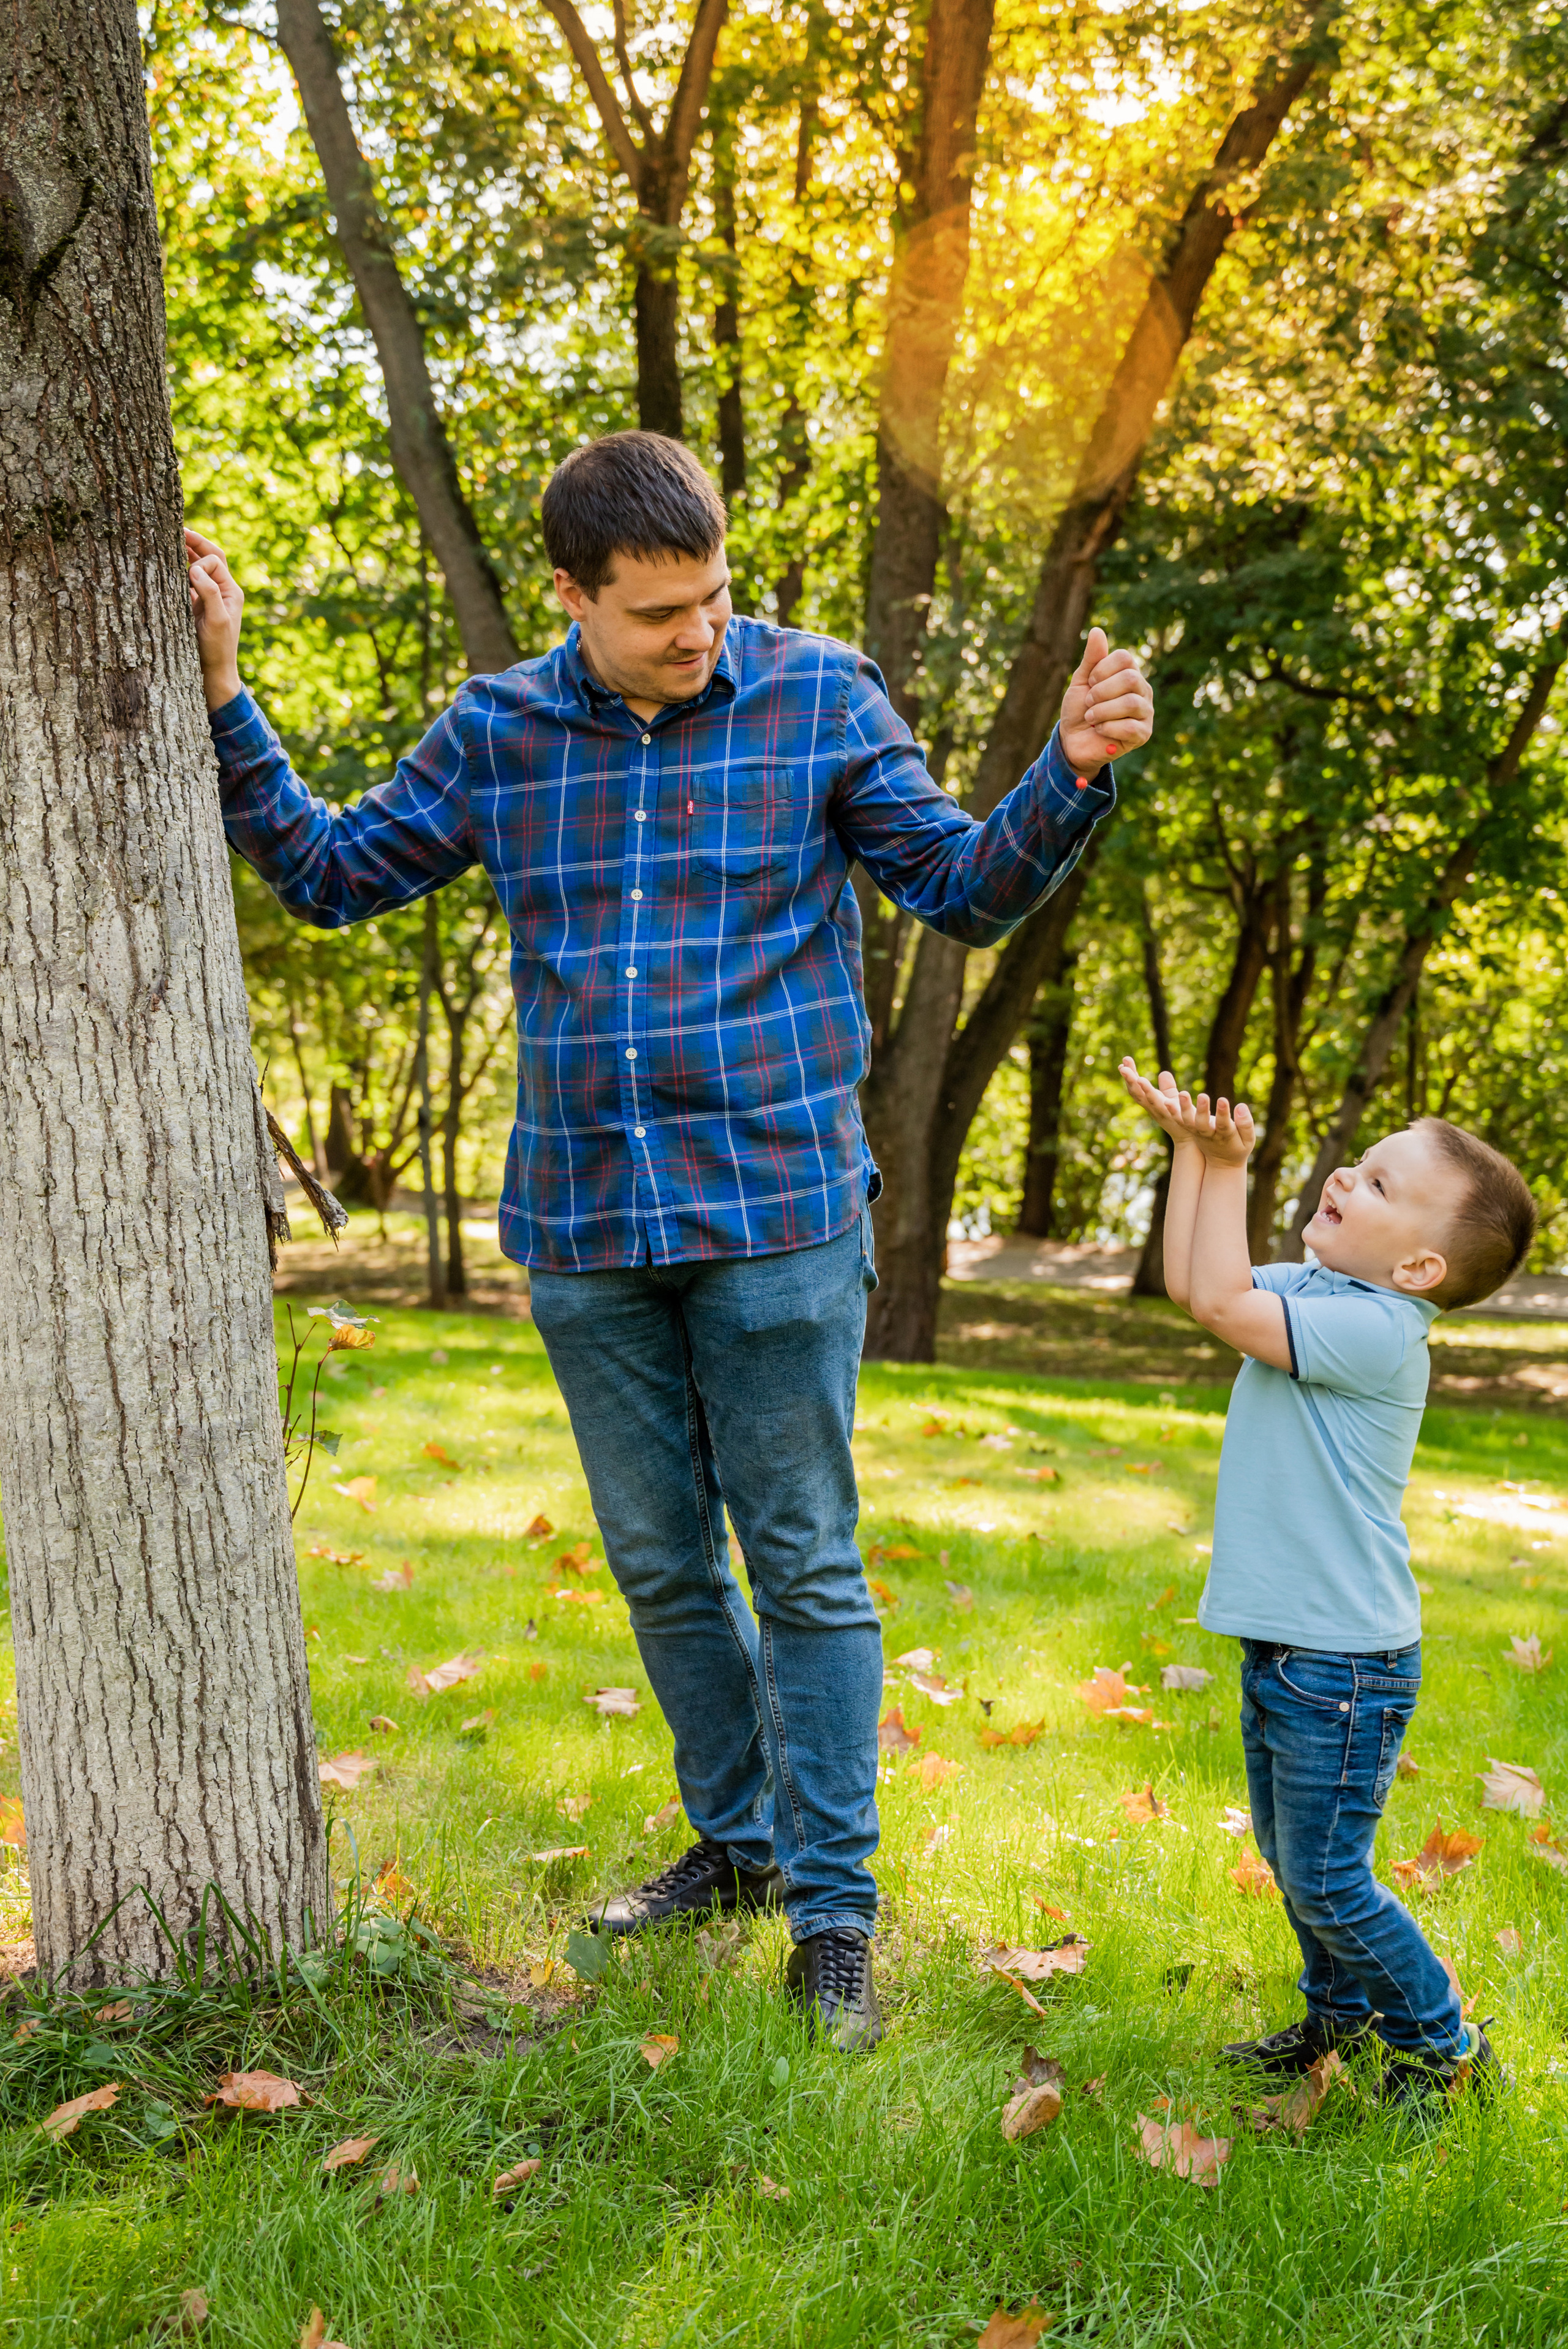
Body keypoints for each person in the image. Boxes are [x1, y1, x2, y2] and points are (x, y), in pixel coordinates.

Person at [186, 429, 1153, 2052]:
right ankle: (744, 1840)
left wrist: (1068, 769)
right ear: (570, 596)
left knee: (808, 1564)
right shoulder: (500, 734)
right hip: (584, 1222)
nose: (699, 630)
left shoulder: (821, 695)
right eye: (657, 612)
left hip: (777, 1211)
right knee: (657, 1561)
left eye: (711, 596)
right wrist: (225, 695)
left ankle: (834, 1918)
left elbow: (966, 894)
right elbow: (335, 874)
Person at [1120, 1057, 1536, 2111]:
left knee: (1329, 1876)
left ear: (1420, 1268)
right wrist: (1199, 1159)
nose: (1349, 1176)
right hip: (1300, 1648)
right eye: (1361, 1163)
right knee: (1296, 1857)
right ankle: (1336, 2023)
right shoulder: (1324, 1288)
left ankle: (1443, 2045)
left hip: (1343, 1661)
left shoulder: (1377, 1332)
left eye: (1384, 1186)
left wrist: (1227, 1162)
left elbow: (1218, 1298)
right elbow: (1194, 1285)